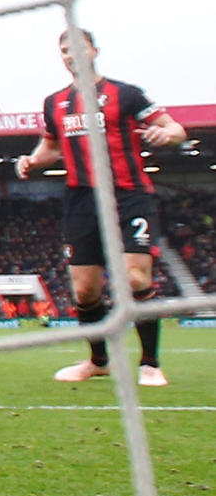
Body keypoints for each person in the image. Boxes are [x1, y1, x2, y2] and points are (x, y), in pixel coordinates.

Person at [16, 28, 186, 387]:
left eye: (77, 46)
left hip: (128, 195)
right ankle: (98, 361)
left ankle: (150, 364)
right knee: (85, 291)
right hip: (81, 200)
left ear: (94, 50)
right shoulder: (55, 103)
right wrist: (30, 162)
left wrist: (165, 134)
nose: (70, 53)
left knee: (136, 277)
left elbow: (174, 129)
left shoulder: (125, 94)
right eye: (63, 49)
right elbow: (50, 149)